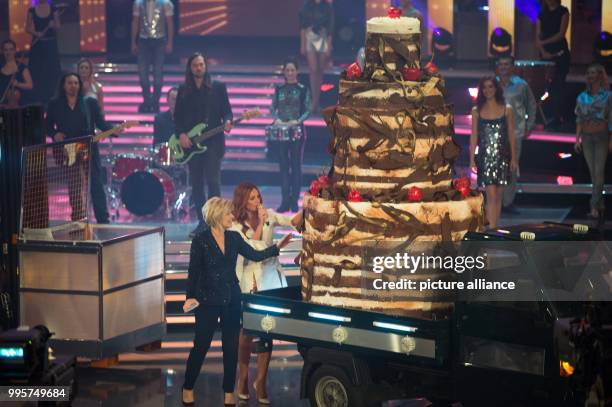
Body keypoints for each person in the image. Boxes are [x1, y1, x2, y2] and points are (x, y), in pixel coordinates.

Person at [181, 197, 292, 406]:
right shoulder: (201, 240)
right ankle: (188, 386)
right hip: (207, 301)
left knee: (230, 348)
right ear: (216, 215)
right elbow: (193, 272)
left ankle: (228, 391)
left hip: (231, 298)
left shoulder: (234, 237)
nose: (232, 216)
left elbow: (255, 255)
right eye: (228, 213)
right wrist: (190, 297)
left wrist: (277, 248)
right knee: (201, 346)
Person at [231, 182, 305, 404]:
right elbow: (253, 249)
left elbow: (293, 222)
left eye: (258, 197)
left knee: (267, 329)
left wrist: (308, 204)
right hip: (250, 279)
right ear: (243, 201)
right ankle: (243, 377)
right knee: (246, 332)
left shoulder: (270, 215)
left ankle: (261, 381)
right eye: (252, 198)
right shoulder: (235, 226)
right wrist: (262, 222)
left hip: (271, 277)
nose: (257, 202)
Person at [45, 73, 119, 223]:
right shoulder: (55, 104)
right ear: (63, 85)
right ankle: (77, 217)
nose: (73, 86)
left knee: (96, 181)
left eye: (76, 83)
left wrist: (114, 130)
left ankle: (102, 218)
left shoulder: (89, 102)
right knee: (74, 183)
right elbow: (47, 125)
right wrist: (55, 134)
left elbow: (100, 123)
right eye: (70, 83)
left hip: (88, 146)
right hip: (68, 148)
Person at [174, 53, 233, 237]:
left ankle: (216, 222)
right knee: (197, 184)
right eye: (195, 65)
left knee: (213, 182)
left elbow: (228, 112)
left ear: (205, 66)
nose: (199, 68)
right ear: (190, 68)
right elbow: (177, 118)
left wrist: (228, 122)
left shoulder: (218, 88)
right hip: (192, 145)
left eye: (201, 64)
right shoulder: (183, 90)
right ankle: (202, 223)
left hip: (214, 143)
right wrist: (182, 134)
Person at [469, 76, 517, 229]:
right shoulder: (476, 110)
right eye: (484, 87)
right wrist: (471, 159)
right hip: (485, 157)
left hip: (503, 156)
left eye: (490, 87)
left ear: (496, 89)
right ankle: (491, 229)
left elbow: (511, 135)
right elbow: (474, 136)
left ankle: (495, 227)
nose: (487, 90)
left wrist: (514, 158)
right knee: (490, 195)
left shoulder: (507, 109)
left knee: (499, 195)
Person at [496, 56, 537, 214]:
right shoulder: (492, 84)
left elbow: (531, 105)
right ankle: (497, 201)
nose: (503, 67)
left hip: (515, 132)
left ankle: (508, 202)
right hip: (495, 133)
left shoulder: (521, 85)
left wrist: (530, 125)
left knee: (512, 168)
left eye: (506, 64)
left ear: (513, 67)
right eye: (501, 64)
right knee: (497, 168)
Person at [271, 59, 311, 212]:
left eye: (292, 70)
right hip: (282, 131)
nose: (289, 73)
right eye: (287, 70)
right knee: (283, 166)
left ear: (297, 71)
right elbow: (272, 108)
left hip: (297, 131)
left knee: (295, 166)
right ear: (284, 72)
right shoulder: (279, 89)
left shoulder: (302, 89)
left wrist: (297, 121)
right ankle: (284, 201)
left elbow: (308, 109)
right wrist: (277, 120)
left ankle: (294, 200)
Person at [574, 64, 612, 221]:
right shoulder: (582, 97)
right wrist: (577, 139)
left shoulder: (608, 96)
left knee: (599, 173)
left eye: (593, 72)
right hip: (587, 138)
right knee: (593, 174)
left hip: (602, 136)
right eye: (588, 73)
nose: (590, 75)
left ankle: (594, 207)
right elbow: (579, 120)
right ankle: (600, 204)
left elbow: (611, 118)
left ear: (600, 75)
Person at [131, 0, 174, 113]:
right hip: (143, 41)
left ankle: (155, 102)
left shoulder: (165, 3)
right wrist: (133, 42)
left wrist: (169, 42)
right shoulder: (138, 3)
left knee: (158, 72)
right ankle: (147, 101)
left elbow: (169, 23)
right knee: (142, 73)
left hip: (159, 41)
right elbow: (135, 22)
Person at [537, 0, 570, 129]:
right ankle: (546, 116)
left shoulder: (563, 11)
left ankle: (558, 117)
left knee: (558, 85)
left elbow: (561, 34)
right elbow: (537, 36)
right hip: (545, 55)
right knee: (547, 86)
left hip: (560, 54)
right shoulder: (542, 13)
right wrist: (543, 50)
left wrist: (544, 43)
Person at [299, 0, 334, 114]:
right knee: (313, 69)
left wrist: (329, 44)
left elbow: (330, 27)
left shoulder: (327, 6)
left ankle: (315, 102)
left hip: (323, 36)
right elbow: (303, 26)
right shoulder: (307, 6)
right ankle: (314, 102)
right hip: (310, 36)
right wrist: (303, 44)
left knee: (320, 70)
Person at [26, 0, 62, 104]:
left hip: (50, 44)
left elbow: (58, 26)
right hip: (37, 45)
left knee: (51, 70)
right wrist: (36, 33)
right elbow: (27, 28)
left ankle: (52, 98)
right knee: (37, 71)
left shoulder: (53, 8)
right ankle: (37, 99)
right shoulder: (31, 10)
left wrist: (53, 25)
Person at [0, 39, 33, 108]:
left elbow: (30, 85)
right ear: (2, 51)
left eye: (11, 49)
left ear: (15, 51)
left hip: (17, 105)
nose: (8, 52)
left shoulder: (21, 67)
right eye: (6, 50)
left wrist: (18, 84)